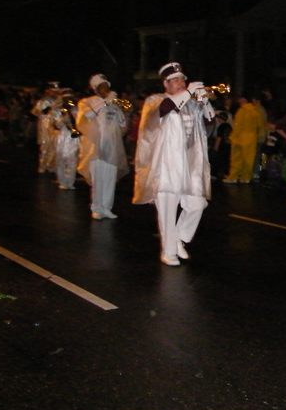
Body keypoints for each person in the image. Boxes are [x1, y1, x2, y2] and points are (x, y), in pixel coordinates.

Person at [133, 62, 213, 266]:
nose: (181, 83)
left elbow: (210, 120)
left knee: (198, 203)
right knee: (168, 210)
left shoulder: (190, 103)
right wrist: (188, 92)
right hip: (165, 165)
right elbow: (165, 108)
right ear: (165, 83)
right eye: (176, 80)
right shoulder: (155, 100)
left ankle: (178, 238)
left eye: (183, 80)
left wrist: (204, 101)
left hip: (188, 165)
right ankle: (168, 252)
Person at [76, 74, 130, 220]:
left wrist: (120, 109)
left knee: (110, 178)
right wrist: (106, 102)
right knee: (97, 178)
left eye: (107, 86)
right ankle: (96, 208)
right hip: (95, 146)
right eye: (102, 87)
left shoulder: (114, 104)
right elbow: (86, 116)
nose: (106, 89)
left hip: (112, 146)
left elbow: (123, 123)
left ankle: (107, 207)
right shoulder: (87, 102)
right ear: (95, 88)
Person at [223, 92, 265, 184]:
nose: (239, 101)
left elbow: (238, 126)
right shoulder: (256, 111)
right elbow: (260, 125)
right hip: (251, 138)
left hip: (239, 138)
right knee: (248, 159)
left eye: (241, 99)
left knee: (236, 159)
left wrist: (232, 137)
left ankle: (233, 177)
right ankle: (245, 177)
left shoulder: (242, 111)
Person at [52, 88, 81, 190]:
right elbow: (55, 125)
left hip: (73, 139)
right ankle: (62, 181)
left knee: (72, 160)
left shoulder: (77, 110)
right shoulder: (58, 110)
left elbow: (81, 125)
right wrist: (63, 118)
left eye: (70, 98)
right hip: (61, 137)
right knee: (61, 160)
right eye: (66, 98)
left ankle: (70, 182)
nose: (68, 100)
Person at [31, 82, 62, 173]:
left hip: (55, 126)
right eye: (53, 91)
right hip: (45, 126)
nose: (55, 94)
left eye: (57, 92)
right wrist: (51, 107)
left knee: (55, 146)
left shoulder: (60, 101)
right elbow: (38, 112)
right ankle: (42, 166)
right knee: (45, 146)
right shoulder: (43, 101)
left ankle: (51, 165)